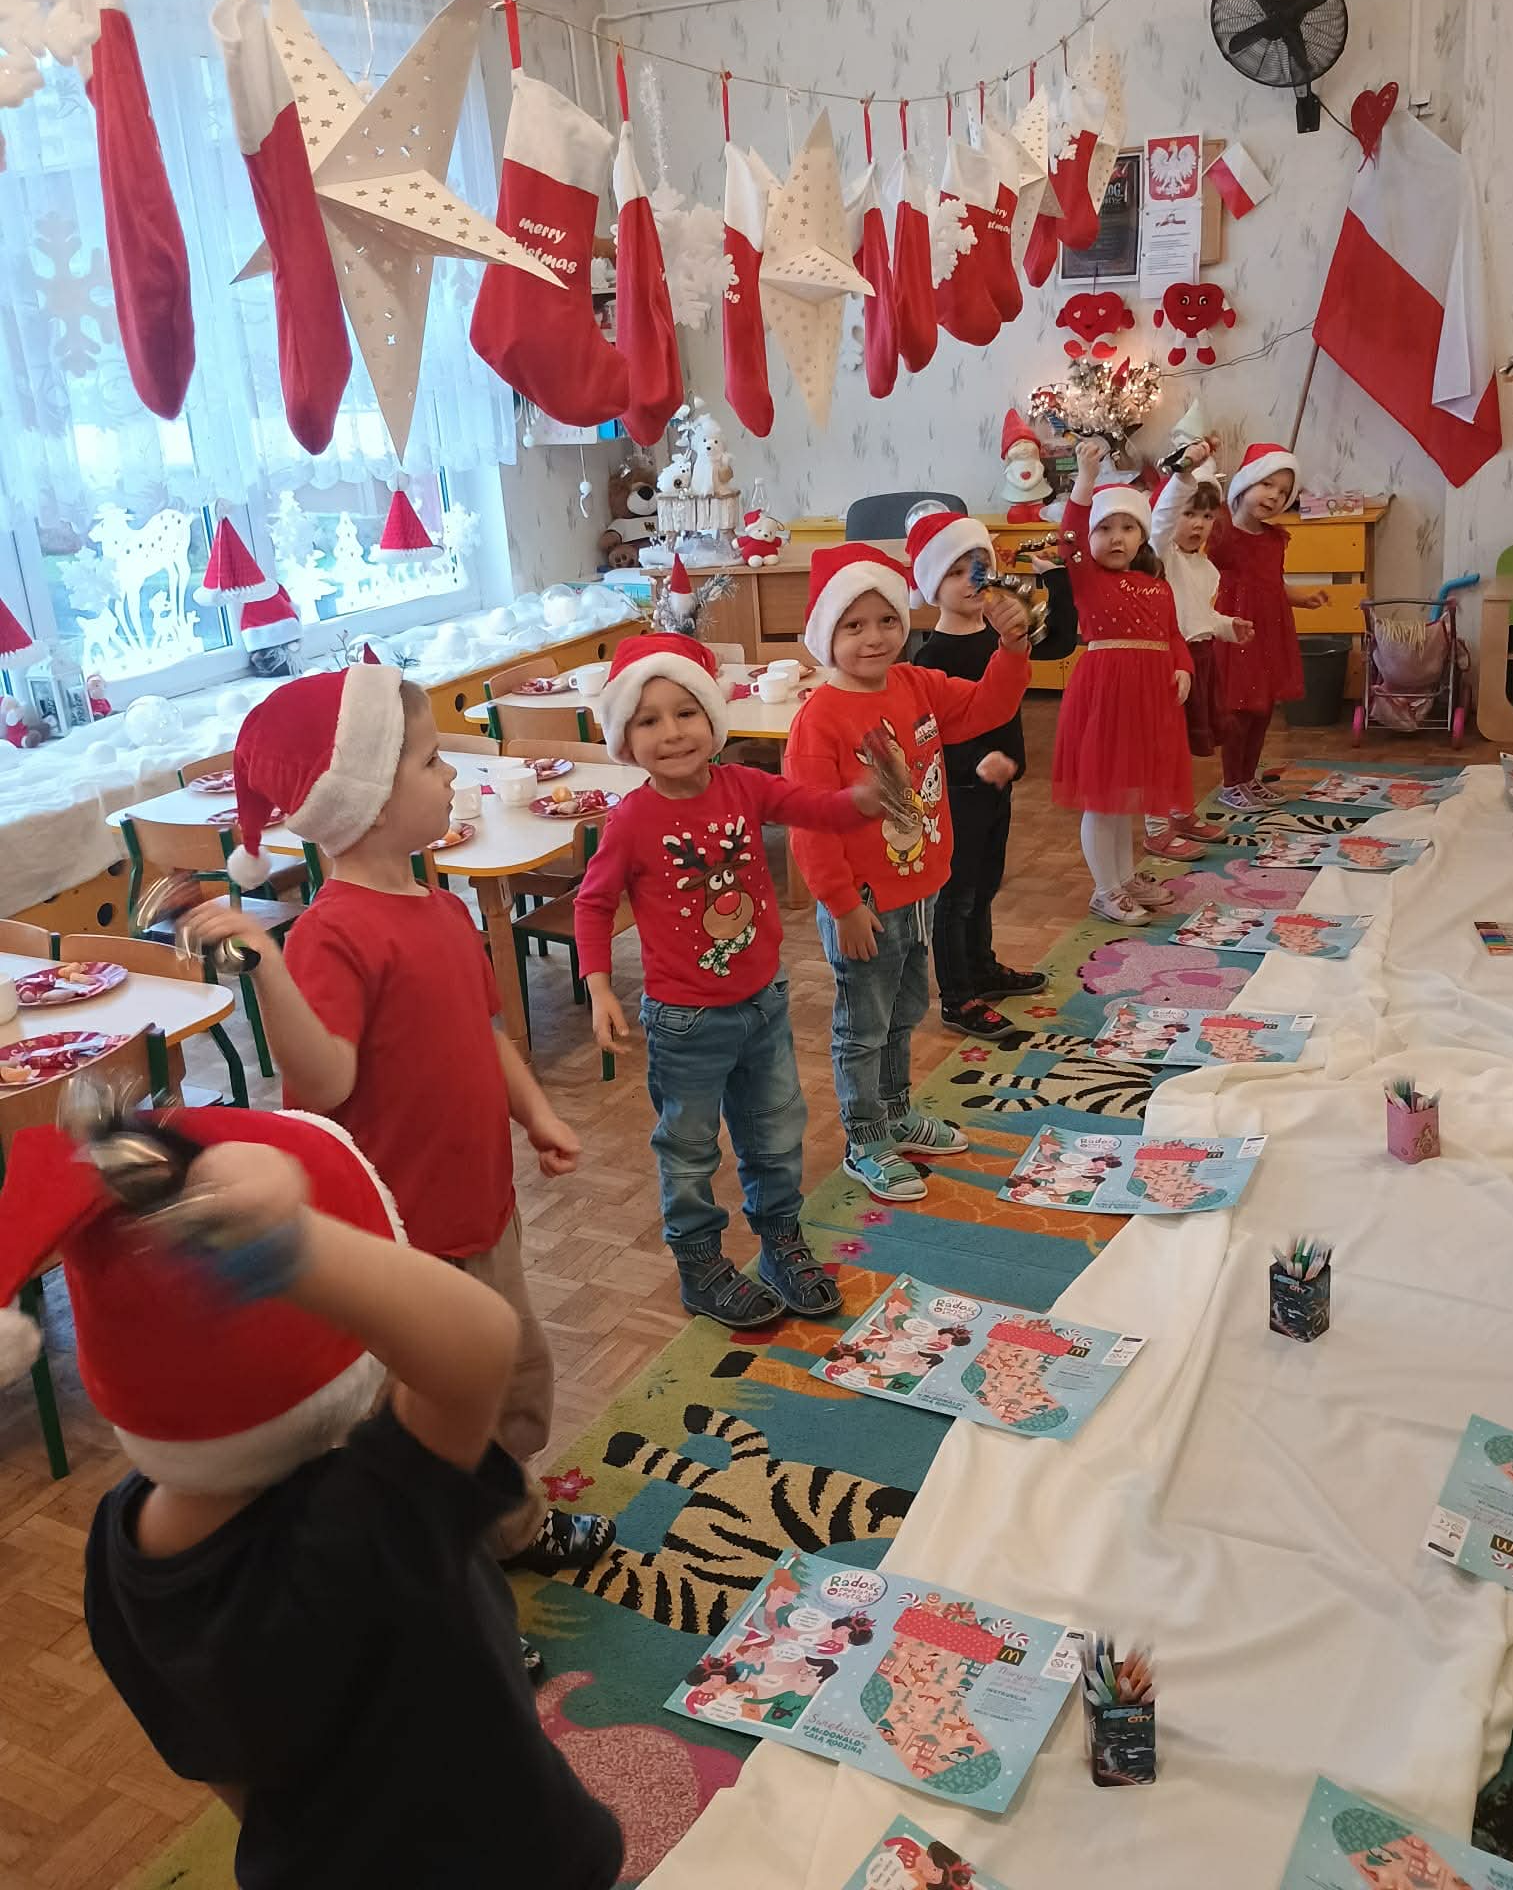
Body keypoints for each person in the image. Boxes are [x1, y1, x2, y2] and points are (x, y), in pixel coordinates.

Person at [0, 1106, 624, 1890]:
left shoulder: (116, 1549)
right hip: (506, 1861)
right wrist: (284, 1242)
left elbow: (212, 1762)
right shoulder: (363, 1522)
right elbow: (477, 1343)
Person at [182, 665, 612, 1618]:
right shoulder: (330, 936)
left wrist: (535, 1112)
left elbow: (484, 1032)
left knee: (509, 1385)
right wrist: (271, 972)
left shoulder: (444, 907)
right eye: (427, 761)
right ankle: (455, 1603)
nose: (450, 773)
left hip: (482, 1208)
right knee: (433, 1429)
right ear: (369, 800)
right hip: (404, 1238)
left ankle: (509, 1526)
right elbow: (328, 1080)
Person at [575, 632, 886, 1326]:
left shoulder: (744, 785)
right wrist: (598, 985)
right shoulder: (631, 820)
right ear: (624, 738)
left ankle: (780, 1242)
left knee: (776, 1135)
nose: (671, 732)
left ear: (712, 717)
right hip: (685, 1024)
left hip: (764, 1004)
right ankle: (700, 1266)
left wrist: (860, 800)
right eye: (648, 720)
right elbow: (593, 903)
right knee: (688, 1150)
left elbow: (812, 807)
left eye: (685, 712)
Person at [784, 541, 1035, 1204]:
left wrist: (1012, 648)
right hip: (863, 901)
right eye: (853, 625)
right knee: (863, 1025)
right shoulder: (818, 720)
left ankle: (895, 1112)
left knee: (905, 1010)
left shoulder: (914, 684)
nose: (873, 637)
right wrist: (842, 905)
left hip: (920, 887)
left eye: (886, 620)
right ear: (826, 634)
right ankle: (865, 1138)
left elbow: (988, 708)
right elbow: (810, 826)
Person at [909, 510, 1073, 1036]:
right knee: (956, 896)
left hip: (995, 788)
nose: (971, 581)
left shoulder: (999, 634)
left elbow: (1062, 641)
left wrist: (1055, 575)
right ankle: (957, 997)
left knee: (984, 886)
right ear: (933, 584)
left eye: (979, 568)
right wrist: (974, 757)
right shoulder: (932, 655)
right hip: (956, 791)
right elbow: (928, 732)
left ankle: (982, 969)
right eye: (956, 571)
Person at [1051, 437, 1194, 925]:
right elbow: (1069, 537)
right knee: (1102, 801)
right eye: (1105, 528)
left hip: (1147, 702)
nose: (1116, 538)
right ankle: (1104, 889)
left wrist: (1183, 667)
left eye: (1128, 528)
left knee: (1126, 799)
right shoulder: (1088, 580)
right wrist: (1086, 480)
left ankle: (1124, 877)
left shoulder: (1157, 587)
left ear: (1142, 537)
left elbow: (1172, 636)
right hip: (1105, 701)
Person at [1144, 440, 1255, 859]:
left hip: (1199, 661)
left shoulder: (1205, 567)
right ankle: (1156, 828)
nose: (1198, 525)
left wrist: (1227, 627)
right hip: (1166, 664)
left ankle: (1180, 813)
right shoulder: (1160, 557)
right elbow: (1161, 518)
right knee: (1162, 747)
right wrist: (1183, 476)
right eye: (1189, 513)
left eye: (1207, 516)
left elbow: (1199, 616)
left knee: (1181, 747)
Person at [1207, 440, 1327, 809]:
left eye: (1283, 492)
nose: (1274, 496)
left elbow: (1273, 584)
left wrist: (1301, 598)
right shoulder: (1221, 532)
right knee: (1239, 711)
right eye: (1267, 484)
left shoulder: (1275, 539)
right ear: (1246, 482)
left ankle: (1247, 777)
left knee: (1262, 711)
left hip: (1270, 634)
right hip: (1238, 634)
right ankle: (1231, 782)